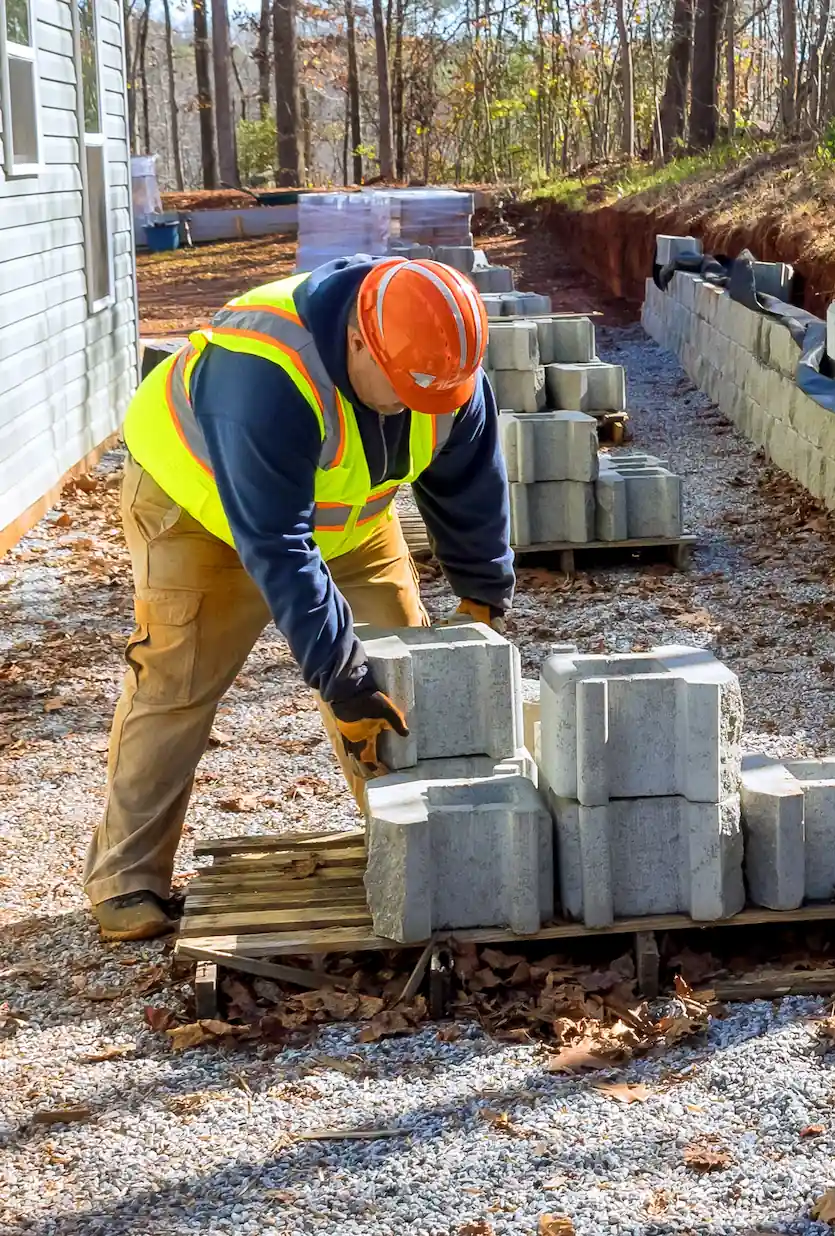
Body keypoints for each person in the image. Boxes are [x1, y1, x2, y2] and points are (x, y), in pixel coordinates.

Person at [88, 255, 515, 942]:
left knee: (409, 681)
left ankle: (415, 852)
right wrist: (343, 681)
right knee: (177, 679)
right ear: (356, 341)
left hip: (348, 520)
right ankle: (125, 879)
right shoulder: (264, 372)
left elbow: (470, 486)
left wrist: (482, 600)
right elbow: (279, 547)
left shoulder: (446, 367)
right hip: (201, 510)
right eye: (401, 389)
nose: (414, 406)